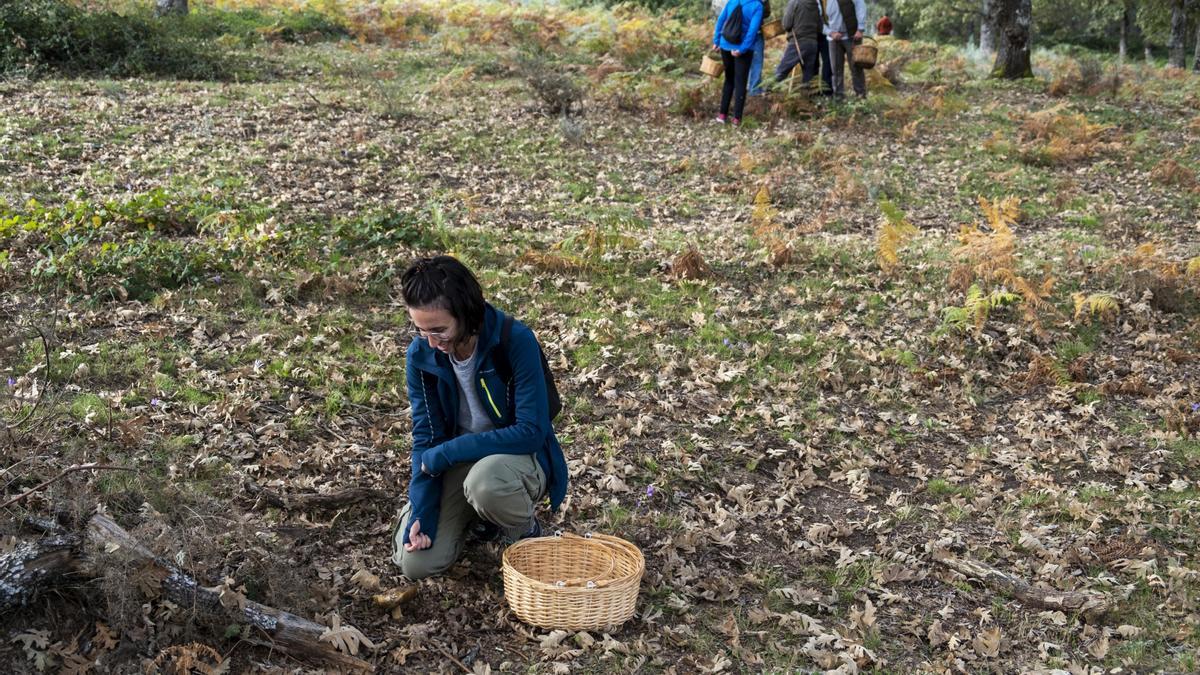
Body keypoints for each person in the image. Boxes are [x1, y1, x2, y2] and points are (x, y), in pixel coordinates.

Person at [391, 256, 568, 580]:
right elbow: (426, 439)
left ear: (465, 313)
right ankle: (472, 516)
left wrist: (447, 453)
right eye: (421, 330)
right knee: (415, 564)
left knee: (486, 483)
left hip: (517, 457)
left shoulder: (514, 341)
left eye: (439, 330)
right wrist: (423, 510)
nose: (431, 342)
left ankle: (523, 531)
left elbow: (530, 431)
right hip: (460, 466)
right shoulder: (421, 355)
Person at [712, 0, 765, 126]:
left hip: (726, 45)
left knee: (729, 80)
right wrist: (742, 49)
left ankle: (722, 115)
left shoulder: (732, 1)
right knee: (740, 83)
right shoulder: (757, 6)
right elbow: (753, 31)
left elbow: (721, 20)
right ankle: (736, 119)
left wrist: (717, 40)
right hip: (742, 49)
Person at [775, 0, 831, 95]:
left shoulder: (794, 2)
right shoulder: (815, 4)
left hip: (798, 42)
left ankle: (770, 94)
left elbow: (786, 24)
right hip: (813, 44)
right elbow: (819, 27)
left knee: (781, 71)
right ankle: (807, 99)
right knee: (808, 77)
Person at [823, 0, 868, 99]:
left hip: (852, 36)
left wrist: (860, 29)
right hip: (833, 38)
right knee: (836, 70)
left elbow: (860, 7)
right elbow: (819, 19)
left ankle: (861, 96)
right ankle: (839, 97)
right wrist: (830, 32)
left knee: (856, 68)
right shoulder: (822, 1)